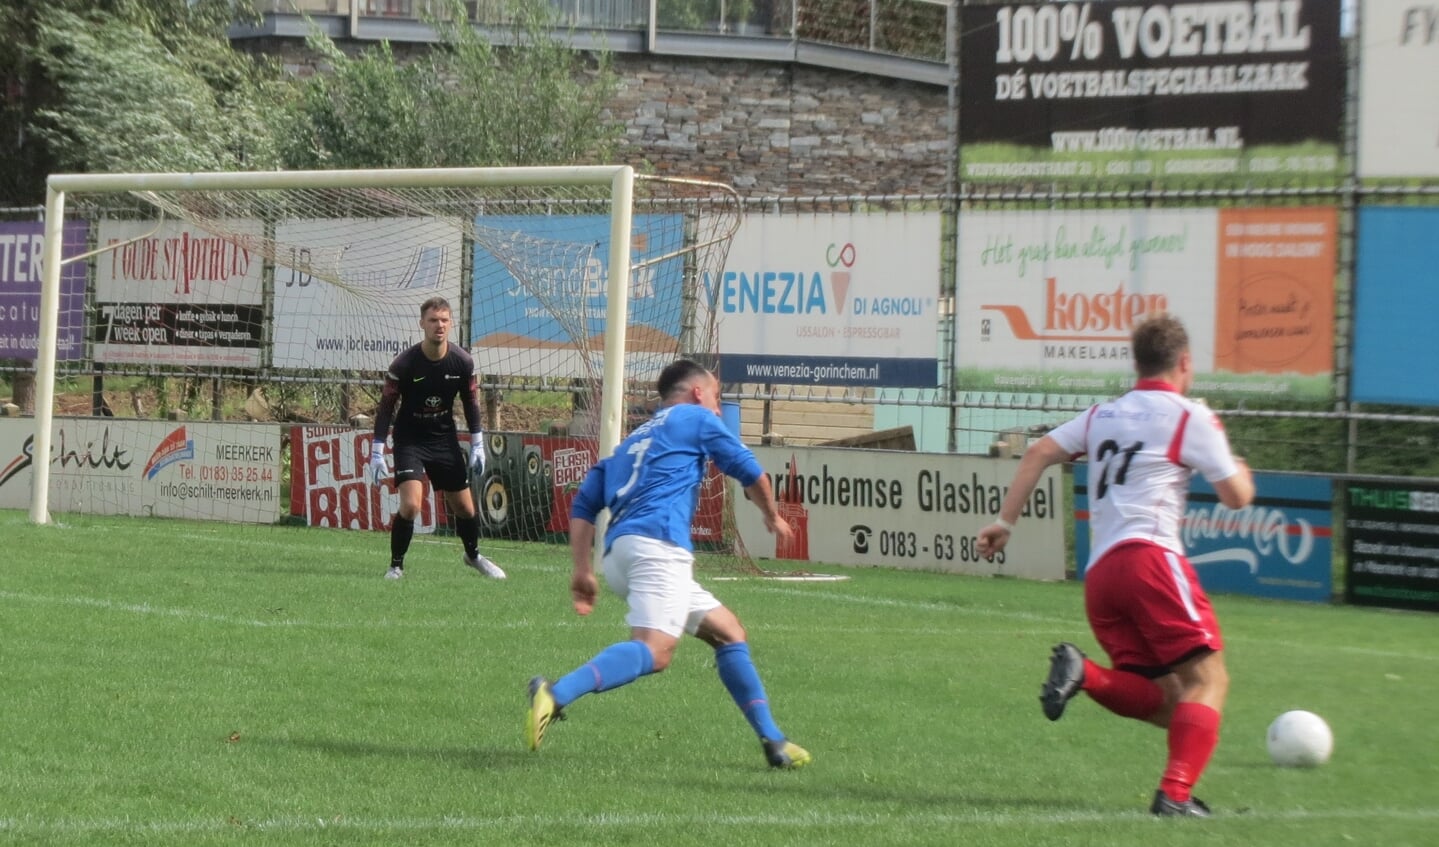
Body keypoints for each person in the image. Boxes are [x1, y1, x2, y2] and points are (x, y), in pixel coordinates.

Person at [977, 313, 1254, 818]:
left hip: (1102, 574)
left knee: (1166, 701)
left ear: (1138, 362)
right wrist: (1241, 468)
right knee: (1208, 679)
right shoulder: (1190, 416)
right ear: (1185, 363)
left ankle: (1086, 674)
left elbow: (1039, 452)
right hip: (1150, 559)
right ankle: (1173, 796)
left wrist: (1005, 523)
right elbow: (1236, 496)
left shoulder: (1105, 414)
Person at [525, 358, 811, 769]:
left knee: (729, 633)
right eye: (715, 397)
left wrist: (582, 569)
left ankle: (774, 741)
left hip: (621, 554)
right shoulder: (696, 418)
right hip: (658, 549)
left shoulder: (632, 441)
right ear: (698, 393)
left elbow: (586, 502)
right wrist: (772, 514)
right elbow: (753, 473)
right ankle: (555, 693)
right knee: (656, 651)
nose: (717, 408)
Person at [369, 296, 505, 581]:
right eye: (433, 320)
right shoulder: (405, 363)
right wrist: (377, 450)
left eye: (444, 320)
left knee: (466, 508)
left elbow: (471, 401)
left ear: (451, 323)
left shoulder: (462, 361)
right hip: (410, 440)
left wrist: (478, 443)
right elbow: (386, 407)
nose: (439, 325)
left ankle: (473, 555)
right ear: (422, 324)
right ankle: (396, 566)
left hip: (443, 439)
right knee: (411, 506)